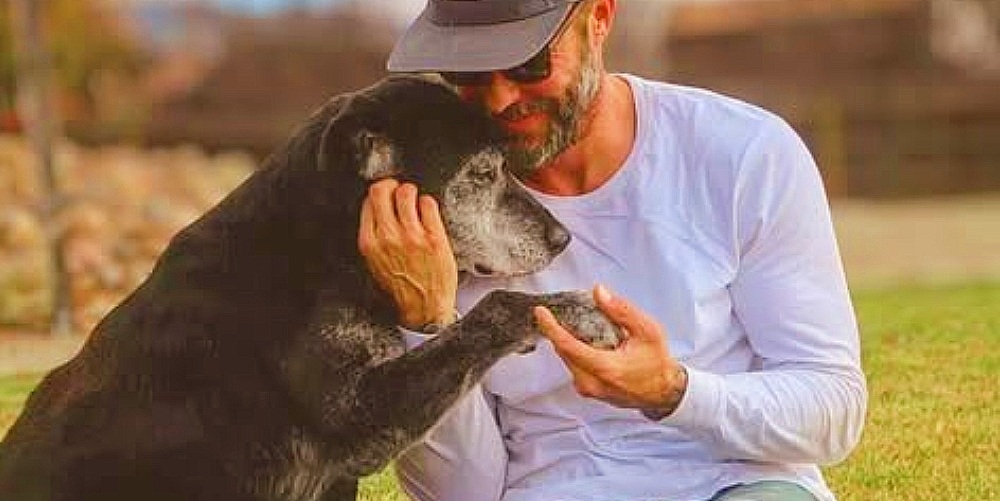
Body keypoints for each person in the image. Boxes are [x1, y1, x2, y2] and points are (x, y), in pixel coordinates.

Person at [357, 0, 868, 500]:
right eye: (465, 73)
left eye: (526, 63)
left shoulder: (744, 155)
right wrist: (426, 328)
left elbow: (832, 412)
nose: (499, 99)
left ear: (599, 18)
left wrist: (673, 390)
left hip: (737, 486)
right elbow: (466, 492)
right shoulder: (429, 219)